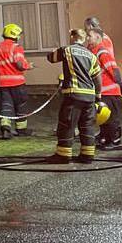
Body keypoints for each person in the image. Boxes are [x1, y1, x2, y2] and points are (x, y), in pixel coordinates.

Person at [45, 28, 103, 164]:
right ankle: (88, 155)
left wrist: (54, 50)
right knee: (87, 126)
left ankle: (63, 155)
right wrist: (98, 95)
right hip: (89, 96)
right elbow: (97, 77)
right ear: (83, 39)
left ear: (72, 37)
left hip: (74, 94)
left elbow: (50, 58)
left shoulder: (67, 50)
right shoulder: (91, 55)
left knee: (67, 125)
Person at [88, 27, 122, 150]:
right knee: (102, 116)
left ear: (98, 38)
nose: (88, 38)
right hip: (101, 91)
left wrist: (121, 83)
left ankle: (114, 141)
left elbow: (113, 69)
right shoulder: (93, 51)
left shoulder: (102, 52)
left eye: (90, 36)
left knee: (111, 117)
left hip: (109, 91)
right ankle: (105, 138)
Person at [0, 23, 34, 139]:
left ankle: (5, 129)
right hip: (17, 83)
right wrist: (28, 65)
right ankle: (21, 130)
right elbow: (20, 64)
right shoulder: (16, 47)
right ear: (15, 34)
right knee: (21, 105)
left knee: (5, 106)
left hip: (2, 83)